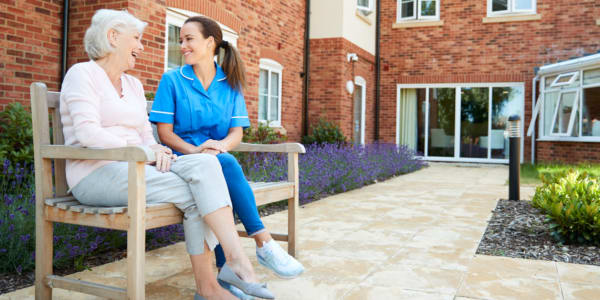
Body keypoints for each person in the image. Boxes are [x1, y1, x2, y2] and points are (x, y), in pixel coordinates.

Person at [59, 9, 273, 300]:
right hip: (95, 174)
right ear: (112, 38)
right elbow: (86, 133)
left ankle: (215, 282)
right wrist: (146, 151)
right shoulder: (82, 74)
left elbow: (147, 135)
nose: (142, 46)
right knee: (201, 188)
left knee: (207, 165)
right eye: (136, 38)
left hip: (136, 170)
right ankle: (235, 267)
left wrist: (159, 150)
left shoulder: (133, 84)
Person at [149, 15, 304, 299]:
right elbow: (165, 134)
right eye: (180, 39)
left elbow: (236, 133)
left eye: (188, 39)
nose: (182, 45)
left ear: (210, 43)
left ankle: (225, 278)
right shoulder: (172, 79)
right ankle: (263, 242)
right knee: (224, 167)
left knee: (221, 170)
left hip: (215, 161)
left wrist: (218, 147)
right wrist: (198, 151)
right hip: (182, 162)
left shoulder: (230, 83)